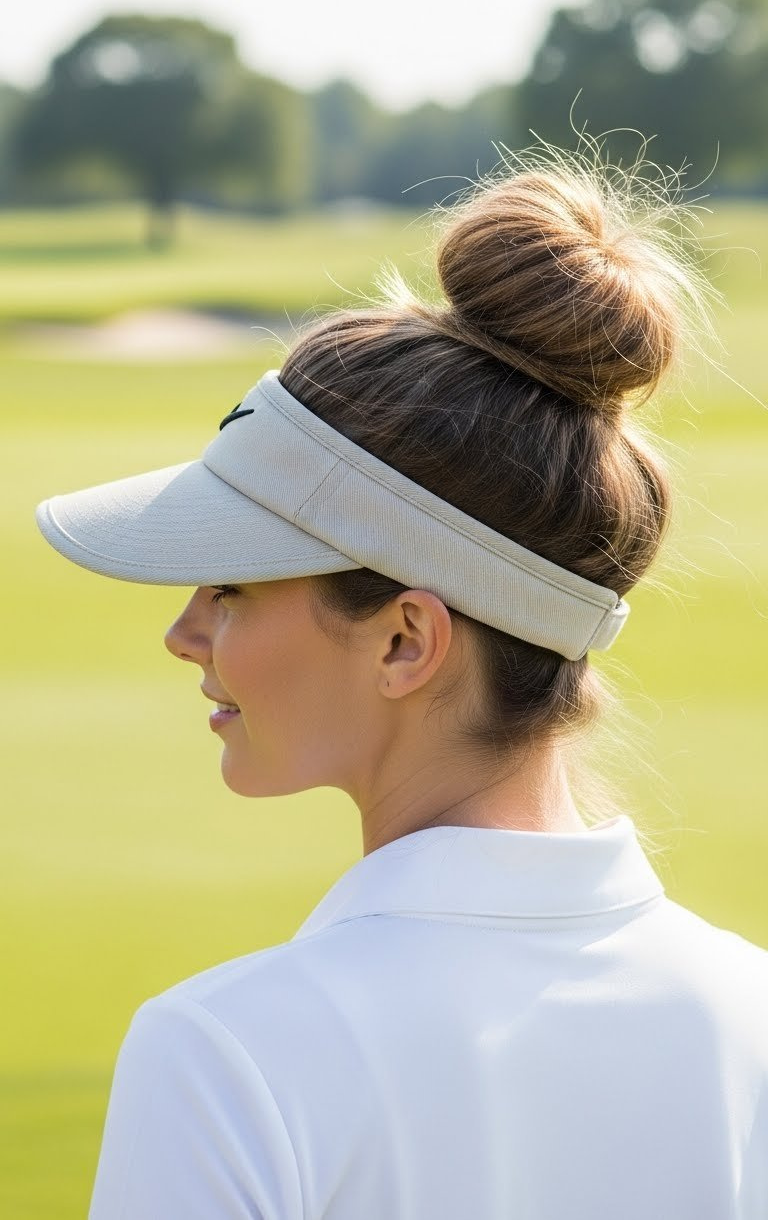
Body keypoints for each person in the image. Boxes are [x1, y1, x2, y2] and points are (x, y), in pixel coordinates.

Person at [36, 150, 768, 1220]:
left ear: (404, 641)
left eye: (232, 587)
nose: (184, 632)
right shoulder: (750, 1020)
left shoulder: (226, 1058)